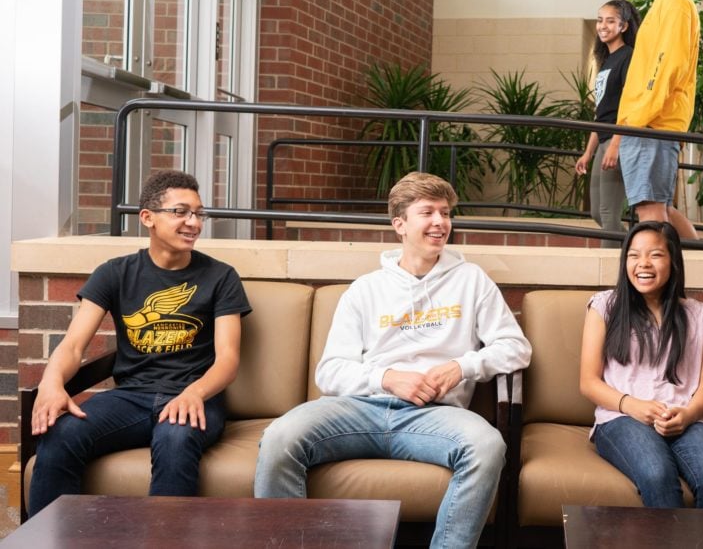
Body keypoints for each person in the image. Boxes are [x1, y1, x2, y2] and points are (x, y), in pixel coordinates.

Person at [254, 172, 532, 549]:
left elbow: (516, 347)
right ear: (399, 224)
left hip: (434, 417)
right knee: (279, 438)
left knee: (487, 447)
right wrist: (387, 378)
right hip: (358, 410)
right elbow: (330, 371)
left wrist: (461, 367)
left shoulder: (471, 280)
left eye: (446, 213)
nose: (440, 222)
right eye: (428, 213)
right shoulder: (366, 289)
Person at [28, 170, 251, 516]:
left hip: (194, 396)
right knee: (62, 434)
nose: (193, 222)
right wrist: (51, 383)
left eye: (198, 213)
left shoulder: (221, 276)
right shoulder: (115, 273)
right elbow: (73, 346)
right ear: (147, 218)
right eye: (180, 212)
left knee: (175, 438)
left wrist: (193, 393)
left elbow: (228, 359)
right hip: (131, 398)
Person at [579, 221, 703, 508]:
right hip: (620, 419)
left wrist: (686, 416)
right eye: (634, 255)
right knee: (657, 473)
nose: (643, 264)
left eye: (655, 255)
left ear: (674, 261)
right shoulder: (605, 307)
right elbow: (588, 382)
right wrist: (632, 405)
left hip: (683, 420)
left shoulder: (701, 317)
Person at [617, 0, 700, 240]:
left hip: (650, 123)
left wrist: (637, 119)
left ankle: (666, 277)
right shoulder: (662, 5)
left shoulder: (676, 3)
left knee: (650, 210)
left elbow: (668, 65)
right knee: (658, 208)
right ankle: (702, 267)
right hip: (647, 123)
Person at [575, 0, 641, 247]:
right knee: (597, 214)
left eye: (610, 21)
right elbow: (601, 112)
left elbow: (629, 106)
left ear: (624, 26)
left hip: (618, 141)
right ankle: (634, 246)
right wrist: (588, 152)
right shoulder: (605, 61)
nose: (603, 26)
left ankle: (608, 271)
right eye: (600, 20)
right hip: (602, 140)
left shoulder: (628, 57)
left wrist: (615, 145)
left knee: (608, 214)